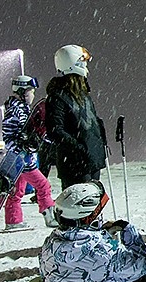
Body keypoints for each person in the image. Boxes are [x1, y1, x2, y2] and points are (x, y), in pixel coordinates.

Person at [46, 44, 108, 190]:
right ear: (74, 64)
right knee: (78, 209)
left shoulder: (84, 94)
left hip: (92, 160)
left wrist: (100, 140)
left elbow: (91, 121)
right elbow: (55, 130)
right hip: (75, 165)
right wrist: (78, 149)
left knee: (93, 207)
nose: (86, 66)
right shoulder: (58, 96)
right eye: (83, 62)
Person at [2, 75, 58, 229]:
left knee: (18, 190)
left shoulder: (22, 108)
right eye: (30, 91)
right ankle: (50, 216)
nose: (32, 95)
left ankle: (13, 221)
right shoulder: (15, 110)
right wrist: (21, 144)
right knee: (43, 185)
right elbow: (8, 136)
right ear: (21, 91)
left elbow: (33, 131)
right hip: (22, 159)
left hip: (23, 158)